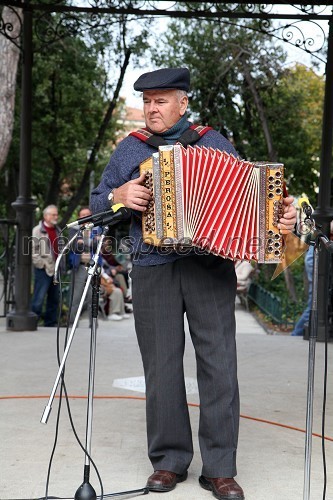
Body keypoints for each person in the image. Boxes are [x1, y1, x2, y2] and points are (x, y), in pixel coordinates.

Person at [90, 67, 297, 500]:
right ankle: (168, 462)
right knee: (161, 366)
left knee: (219, 366)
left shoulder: (214, 142)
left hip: (209, 268)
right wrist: (119, 196)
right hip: (152, 267)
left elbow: (254, 199)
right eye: (147, 101)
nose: (151, 109)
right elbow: (96, 203)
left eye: (161, 100)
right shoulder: (131, 149)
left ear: (183, 103)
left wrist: (282, 214)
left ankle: (220, 468)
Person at [31, 204, 63, 326]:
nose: (56, 216)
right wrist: (42, 265)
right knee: (38, 299)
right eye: (53, 214)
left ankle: (50, 324)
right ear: (46, 216)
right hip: (43, 270)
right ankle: (32, 323)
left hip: (56, 270)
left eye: (56, 214)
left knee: (54, 299)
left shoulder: (58, 230)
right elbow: (33, 251)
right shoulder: (37, 230)